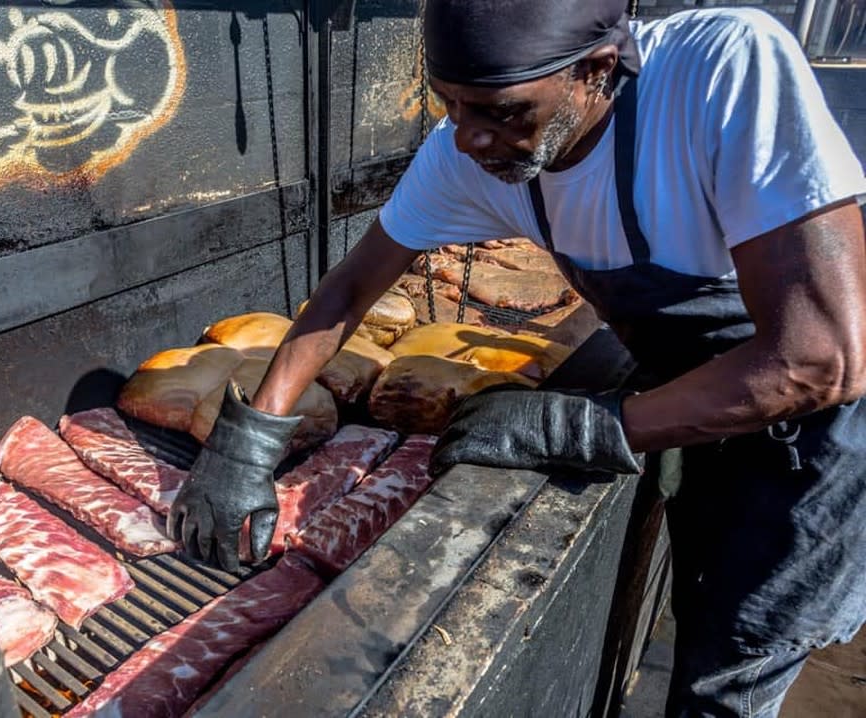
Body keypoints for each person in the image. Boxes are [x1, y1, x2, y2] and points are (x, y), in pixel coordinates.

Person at [167, 1, 866, 714]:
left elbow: (820, 359)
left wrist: (582, 429)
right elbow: (350, 287)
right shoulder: (471, 150)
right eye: (450, 105)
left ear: (597, 69)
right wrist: (251, 437)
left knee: (734, 666)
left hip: (810, 448)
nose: (468, 137)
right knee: (699, 609)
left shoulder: (716, 71)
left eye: (501, 112)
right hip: (696, 411)